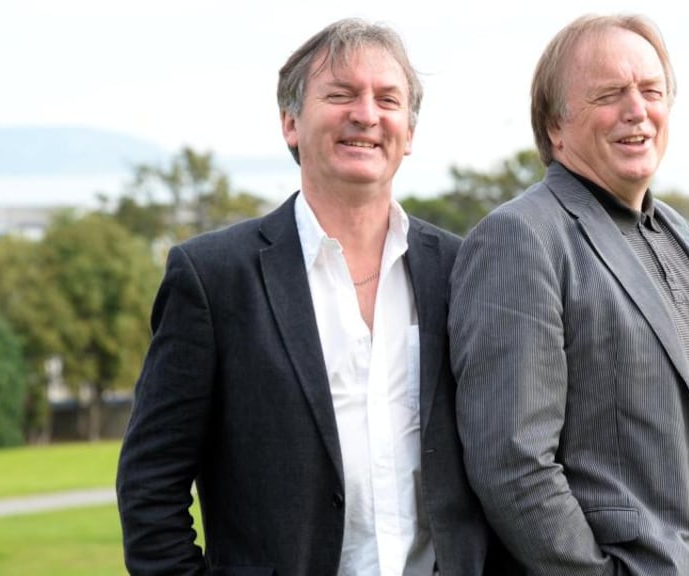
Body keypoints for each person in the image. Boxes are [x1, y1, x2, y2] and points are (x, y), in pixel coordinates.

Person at [117, 18, 513, 576]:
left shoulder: (461, 270)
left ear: (410, 131)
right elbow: (149, 485)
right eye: (341, 94)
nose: (366, 115)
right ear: (290, 123)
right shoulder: (212, 278)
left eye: (387, 99)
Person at [449, 13, 689, 576]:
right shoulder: (522, 238)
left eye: (651, 91)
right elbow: (511, 464)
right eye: (609, 94)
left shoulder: (679, 231)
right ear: (555, 127)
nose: (637, 110)